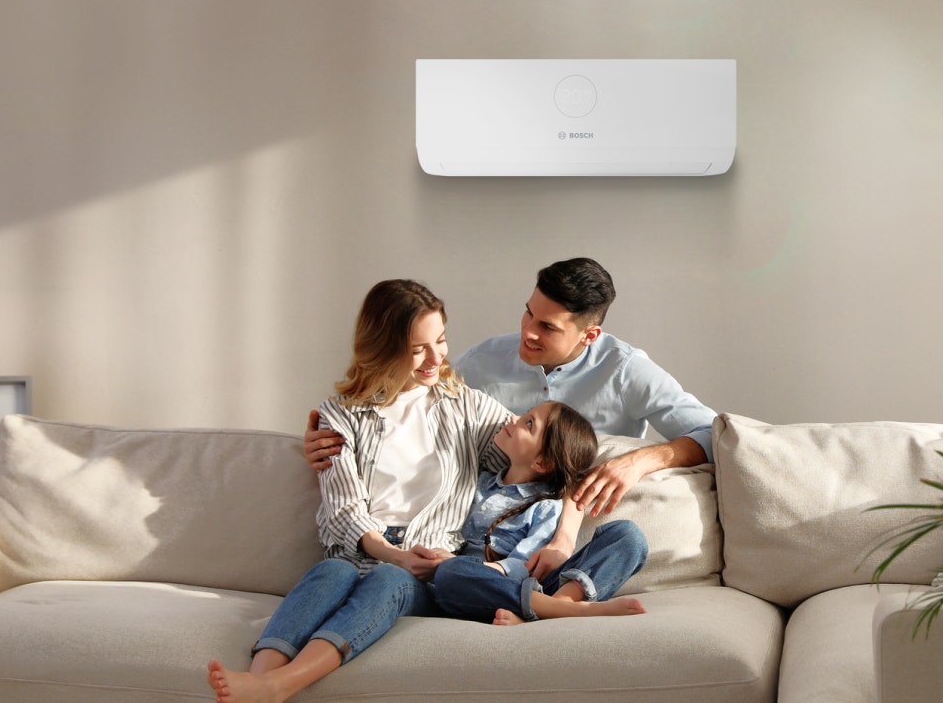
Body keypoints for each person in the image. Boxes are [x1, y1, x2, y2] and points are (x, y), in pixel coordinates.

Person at [206, 279, 517, 703]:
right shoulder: (341, 414)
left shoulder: (468, 406)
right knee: (332, 571)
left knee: (389, 579)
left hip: (428, 564)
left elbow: (540, 452)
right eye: (416, 348)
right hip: (360, 551)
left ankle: (279, 686)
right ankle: (258, 681)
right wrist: (392, 553)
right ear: (383, 347)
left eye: (440, 341)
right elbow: (342, 507)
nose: (435, 358)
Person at [303, 258, 716, 576]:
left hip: (571, 523)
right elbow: (409, 399)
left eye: (548, 327)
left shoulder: (627, 370)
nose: (528, 333)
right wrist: (337, 441)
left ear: (589, 336)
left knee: (625, 539)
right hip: (485, 544)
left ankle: (558, 602)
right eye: (528, 314)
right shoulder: (482, 363)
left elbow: (718, 435)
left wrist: (638, 460)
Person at [432, 400, 648, 625]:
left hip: (529, 584)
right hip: (482, 590)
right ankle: (552, 611)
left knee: (629, 536)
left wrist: (483, 567)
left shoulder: (545, 505)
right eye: (525, 414)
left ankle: (558, 605)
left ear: (542, 462)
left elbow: (524, 566)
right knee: (450, 573)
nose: (513, 419)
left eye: (528, 424)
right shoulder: (478, 482)